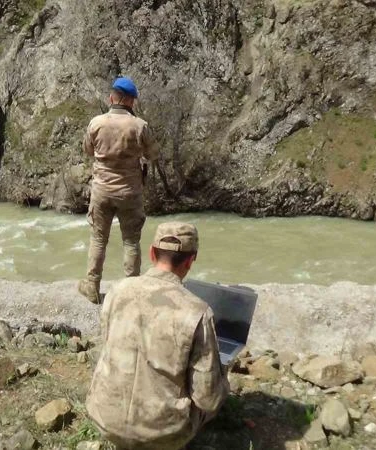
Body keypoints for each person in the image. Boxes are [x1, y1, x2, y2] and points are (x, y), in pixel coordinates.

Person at [86, 222, 230, 450]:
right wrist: (224, 380)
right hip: (163, 436)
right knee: (215, 389)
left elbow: (107, 345)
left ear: (152, 253)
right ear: (191, 260)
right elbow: (207, 399)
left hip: (104, 419)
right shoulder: (198, 311)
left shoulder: (116, 291)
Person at [78, 76, 158, 304]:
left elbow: (88, 150)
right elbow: (153, 154)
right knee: (131, 241)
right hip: (130, 191)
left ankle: (92, 286)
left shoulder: (96, 123)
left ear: (112, 97)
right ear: (131, 101)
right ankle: (131, 291)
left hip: (102, 189)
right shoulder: (140, 126)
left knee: (98, 238)